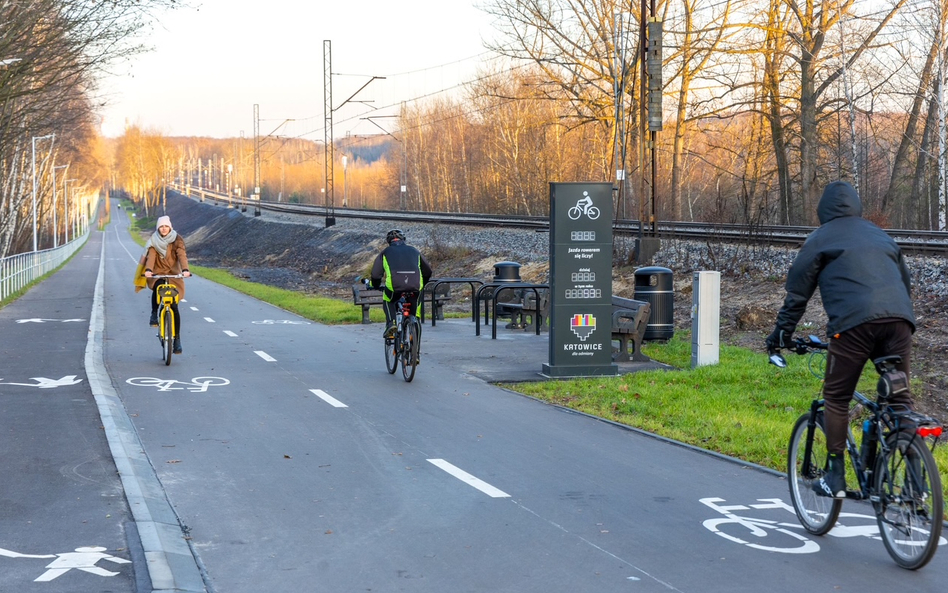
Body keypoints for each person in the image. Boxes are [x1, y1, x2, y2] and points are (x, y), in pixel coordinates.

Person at [767, 180, 915, 498]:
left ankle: (834, 476)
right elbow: (905, 282)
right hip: (900, 321)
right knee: (901, 400)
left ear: (823, 210)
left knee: (836, 398)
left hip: (853, 326)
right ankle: (916, 482)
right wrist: (898, 318)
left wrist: (781, 334)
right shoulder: (880, 234)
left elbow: (797, 293)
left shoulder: (821, 237)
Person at [370, 229, 432, 341]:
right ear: (403, 240)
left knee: (388, 299)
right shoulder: (415, 251)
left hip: (395, 288)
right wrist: (422, 283)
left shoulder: (385, 253)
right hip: (415, 288)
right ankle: (415, 351)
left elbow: (375, 275)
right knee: (415, 316)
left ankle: (391, 323)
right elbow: (428, 271)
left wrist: (375, 285)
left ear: (389, 242)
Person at [144, 215, 191, 354]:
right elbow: (151, 257)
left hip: (174, 275)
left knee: (174, 306)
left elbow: (182, 255)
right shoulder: (154, 240)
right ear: (158, 228)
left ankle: (177, 339)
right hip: (158, 273)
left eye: (166, 226)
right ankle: (154, 314)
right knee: (158, 287)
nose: (164, 229)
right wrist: (148, 270)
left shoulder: (177, 239)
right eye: (161, 227)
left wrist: (185, 270)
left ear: (170, 227)